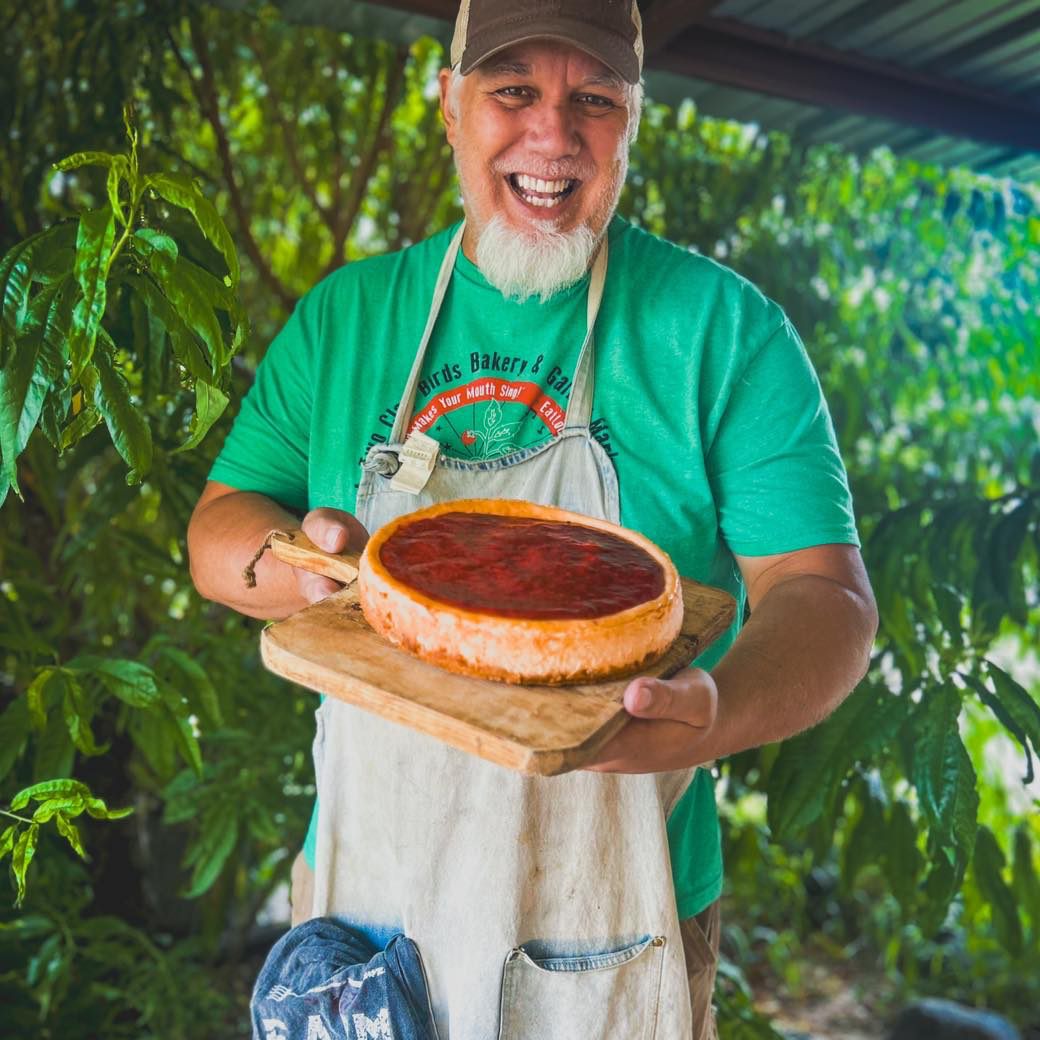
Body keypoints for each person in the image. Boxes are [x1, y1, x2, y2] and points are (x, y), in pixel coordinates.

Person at [187, 1, 879, 1036]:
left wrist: (717, 706)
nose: (551, 135)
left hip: (611, 917)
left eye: (591, 99)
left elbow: (824, 597)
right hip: (363, 902)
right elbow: (218, 530)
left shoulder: (724, 335)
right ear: (448, 105)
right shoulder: (346, 318)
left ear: (631, 120)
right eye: (512, 90)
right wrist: (303, 565)